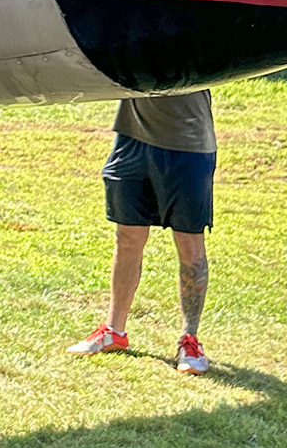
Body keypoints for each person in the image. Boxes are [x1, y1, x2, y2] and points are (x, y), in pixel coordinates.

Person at [67, 91, 215, 374]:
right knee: (127, 237)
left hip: (188, 143)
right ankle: (114, 331)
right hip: (132, 138)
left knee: (188, 243)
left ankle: (189, 340)